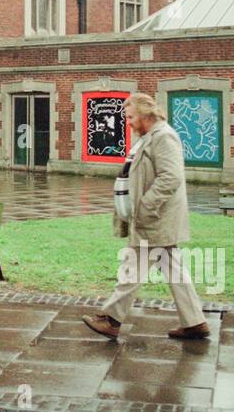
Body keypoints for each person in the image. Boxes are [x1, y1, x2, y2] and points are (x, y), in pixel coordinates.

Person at [83, 92, 209, 341]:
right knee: (173, 269)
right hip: (154, 217)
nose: (128, 122)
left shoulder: (163, 138)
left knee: (133, 266)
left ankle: (111, 319)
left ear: (145, 115)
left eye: (131, 117)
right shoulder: (149, 137)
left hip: (155, 218)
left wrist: (145, 206)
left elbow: (171, 177)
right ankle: (195, 322)